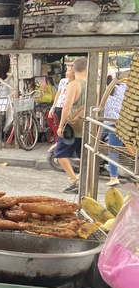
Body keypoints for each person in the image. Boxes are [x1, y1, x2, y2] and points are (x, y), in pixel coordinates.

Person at [57, 57, 87, 194]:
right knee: (85, 156)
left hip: (72, 127)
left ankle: (73, 179)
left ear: (74, 69)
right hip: (87, 126)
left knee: (60, 154)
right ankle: (81, 181)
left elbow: (67, 107)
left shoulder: (74, 84)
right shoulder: (95, 85)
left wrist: (61, 125)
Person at [103, 81, 127, 186]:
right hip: (121, 122)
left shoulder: (105, 90)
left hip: (113, 123)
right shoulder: (124, 87)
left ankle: (113, 177)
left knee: (113, 150)